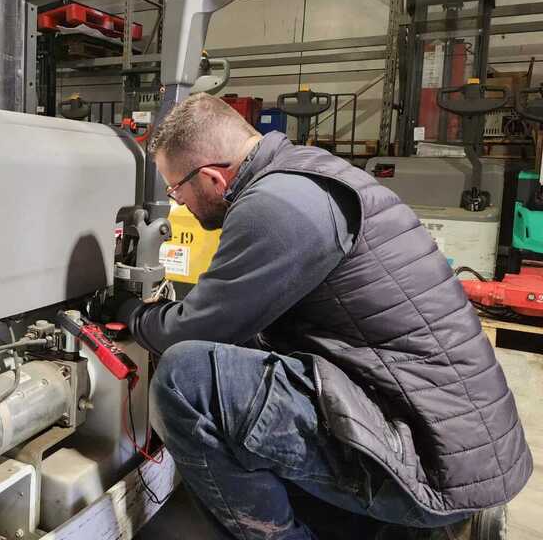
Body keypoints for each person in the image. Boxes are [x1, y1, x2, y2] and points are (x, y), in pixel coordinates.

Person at [116, 93, 532, 540]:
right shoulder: (306, 174)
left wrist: (135, 316)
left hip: (434, 462)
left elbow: (194, 329)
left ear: (214, 177)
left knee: (188, 379)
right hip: (457, 444)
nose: (178, 204)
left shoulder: (277, 205)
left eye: (176, 188)